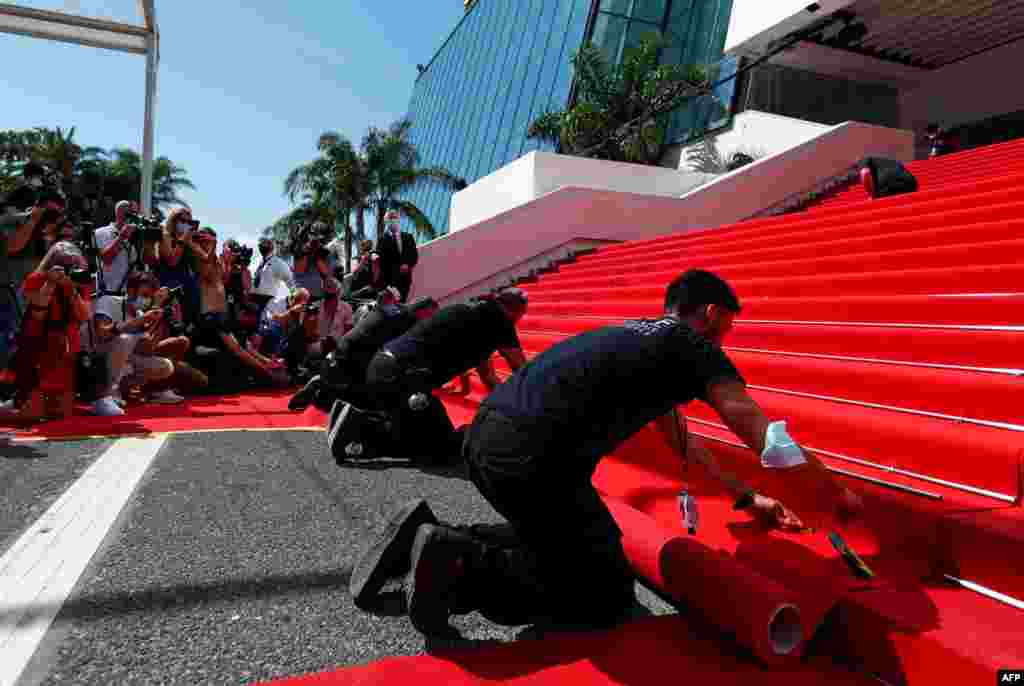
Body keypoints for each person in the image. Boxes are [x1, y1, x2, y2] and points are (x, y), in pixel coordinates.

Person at [351, 270, 864, 638]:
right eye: (728, 326)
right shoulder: (695, 348)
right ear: (711, 314)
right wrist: (833, 491)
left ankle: (430, 537)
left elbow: (682, 442)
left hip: (488, 441)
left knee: (574, 540)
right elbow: (759, 431)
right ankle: (460, 567)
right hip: (535, 460)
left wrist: (748, 499)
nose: (727, 339)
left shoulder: (637, 338)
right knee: (603, 593)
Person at [288, 288, 436, 412]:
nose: (429, 320)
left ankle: (321, 384)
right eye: (430, 315)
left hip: (349, 343)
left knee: (351, 391)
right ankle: (318, 391)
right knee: (359, 400)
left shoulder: (394, 308)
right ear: (423, 311)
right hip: (359, 353)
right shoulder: (409, 320)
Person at [0, 242, 91, 422]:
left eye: (73, 265)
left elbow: (84, 315)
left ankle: (22, 401)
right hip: (37, 351)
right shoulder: (37, 279)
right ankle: (17, 404)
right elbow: (37, 311)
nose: (69, 270)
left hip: (65, 353)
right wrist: (50, 283)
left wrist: (70, 288)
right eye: (64, 265)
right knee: (32, 416)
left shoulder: (78, 281)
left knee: (61, 415)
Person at [188, 227, 281, 384]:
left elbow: (244, 290)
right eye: (204, 240)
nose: (207, 244)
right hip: (207, 318)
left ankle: (268, 365)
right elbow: (218, 279)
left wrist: (241, 266)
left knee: (245, 344)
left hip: (223, 316)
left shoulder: (225, 264)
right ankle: (268, 374)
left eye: (211, 241)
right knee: (237, 347)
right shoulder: (199, 259)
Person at [88, 270, 180, 416]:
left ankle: (122, 388)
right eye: (144, 295)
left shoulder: (140, 313)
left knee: (165, 367)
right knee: (124, 339)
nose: (146, 300)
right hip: (98, 356)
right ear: (130, 291)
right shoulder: (108, 301)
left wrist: (160, 318)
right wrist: (139, 321)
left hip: (124, 360)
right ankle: (108, 394)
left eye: (150, 297)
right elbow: (102, 332)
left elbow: (147, 348)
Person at [94, 200, 145, 294]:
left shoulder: (135, 237)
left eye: (136, 214)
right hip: (106, 293)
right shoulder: (101, 233)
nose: (133, 217)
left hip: (126, 295)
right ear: (118, 213)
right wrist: (122, 237)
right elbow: (106, 259)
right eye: (129, 213)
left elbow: (134, 270)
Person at [376, 210, 419, 302]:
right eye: (390, 218)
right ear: (386, 221)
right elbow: (382, 261)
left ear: (399, 220)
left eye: (394, 218)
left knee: (403, 303)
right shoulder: (382, 240)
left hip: (405, 279)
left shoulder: (408, 237)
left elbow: (414, 255)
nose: (392, 221)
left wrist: (407, 265)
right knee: (394, 306)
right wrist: (397, 269)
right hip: (390, 281)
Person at [252, 237, 294, 305]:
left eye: (265, 243)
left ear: (272, 247)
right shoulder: (258, 263)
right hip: (253, 299)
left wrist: (296, 296)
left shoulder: (278, 263)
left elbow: (290, 281)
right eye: (260, 245)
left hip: (267, 301)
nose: (262, 246)